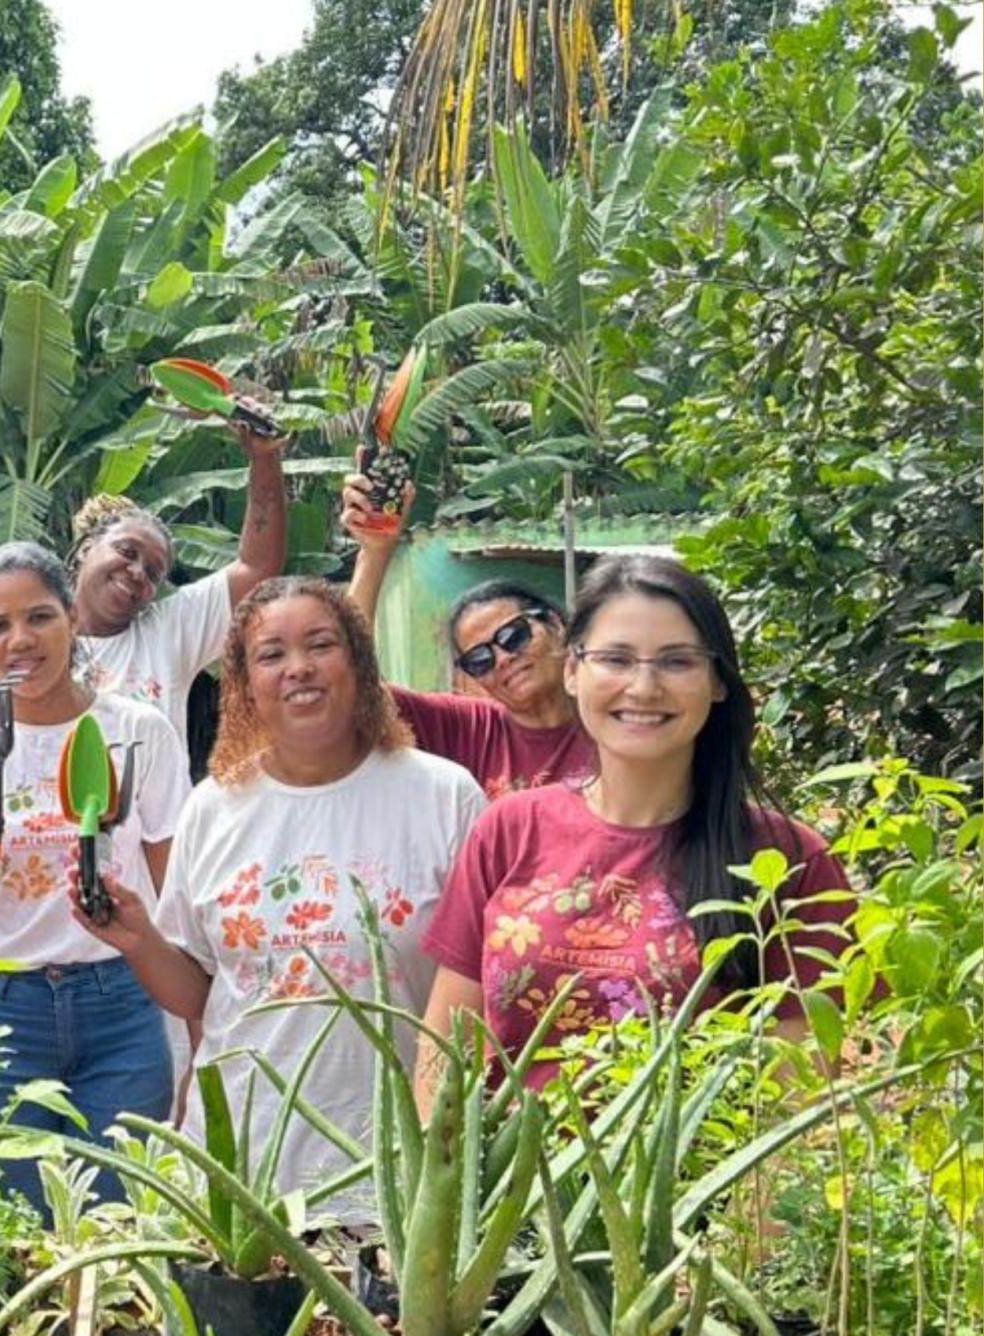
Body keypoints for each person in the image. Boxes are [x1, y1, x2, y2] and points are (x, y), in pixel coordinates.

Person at [95, 577, 485, 1214]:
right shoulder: (213, 808)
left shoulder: (445, 797)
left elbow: (472, 992)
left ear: (358, 661)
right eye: (271, 654)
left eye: (321, 645)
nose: (298, 668)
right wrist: (138, 938)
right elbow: (201, 993)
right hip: (244, 1165)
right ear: (244, 684)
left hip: (390, 1170)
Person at [421, 556, 855, 1097]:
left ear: (717, 681)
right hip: (511, 1177)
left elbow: (798, 1093)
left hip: (704, 1181)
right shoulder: (508, 829)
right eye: (616, 659)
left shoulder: (787, 861)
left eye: (676, 662)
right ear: (574, 670)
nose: (644, 687)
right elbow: (444, 1047)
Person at [0, 544, 191, 1201]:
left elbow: (178, 896)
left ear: (73, 620)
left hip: (122, 1003)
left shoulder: (138, 733)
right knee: (16, 1228)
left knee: (122, 1223)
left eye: (39, 617)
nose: (20, 640)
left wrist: (193, 1010)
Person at [342, 475, 594, 797]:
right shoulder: (469, 729)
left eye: (514, 635)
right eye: (480, 659)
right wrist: (375, 554)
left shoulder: (613, 716)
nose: (502, 659)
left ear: (556, 625)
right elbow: (349, 694)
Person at [69, 410, 290, 745]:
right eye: (127, 552)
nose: (137, 572)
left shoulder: (168, 630)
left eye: (153, 572)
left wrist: (264, 457)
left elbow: (257, 567)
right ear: (87, 548)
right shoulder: (31, 633)